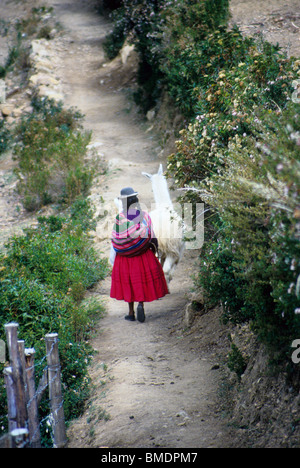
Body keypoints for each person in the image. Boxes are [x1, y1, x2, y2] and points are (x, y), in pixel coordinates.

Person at [110, 187, 169, 322]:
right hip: (142, 255)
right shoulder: (144, 216)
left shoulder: (120, 218)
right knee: (140, 281)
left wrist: (123, 247)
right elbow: (151, 236)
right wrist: (152, 251)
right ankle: (141, 304)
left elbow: (115, 238)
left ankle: (131, 312)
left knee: (128, 283)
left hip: (124, 258)